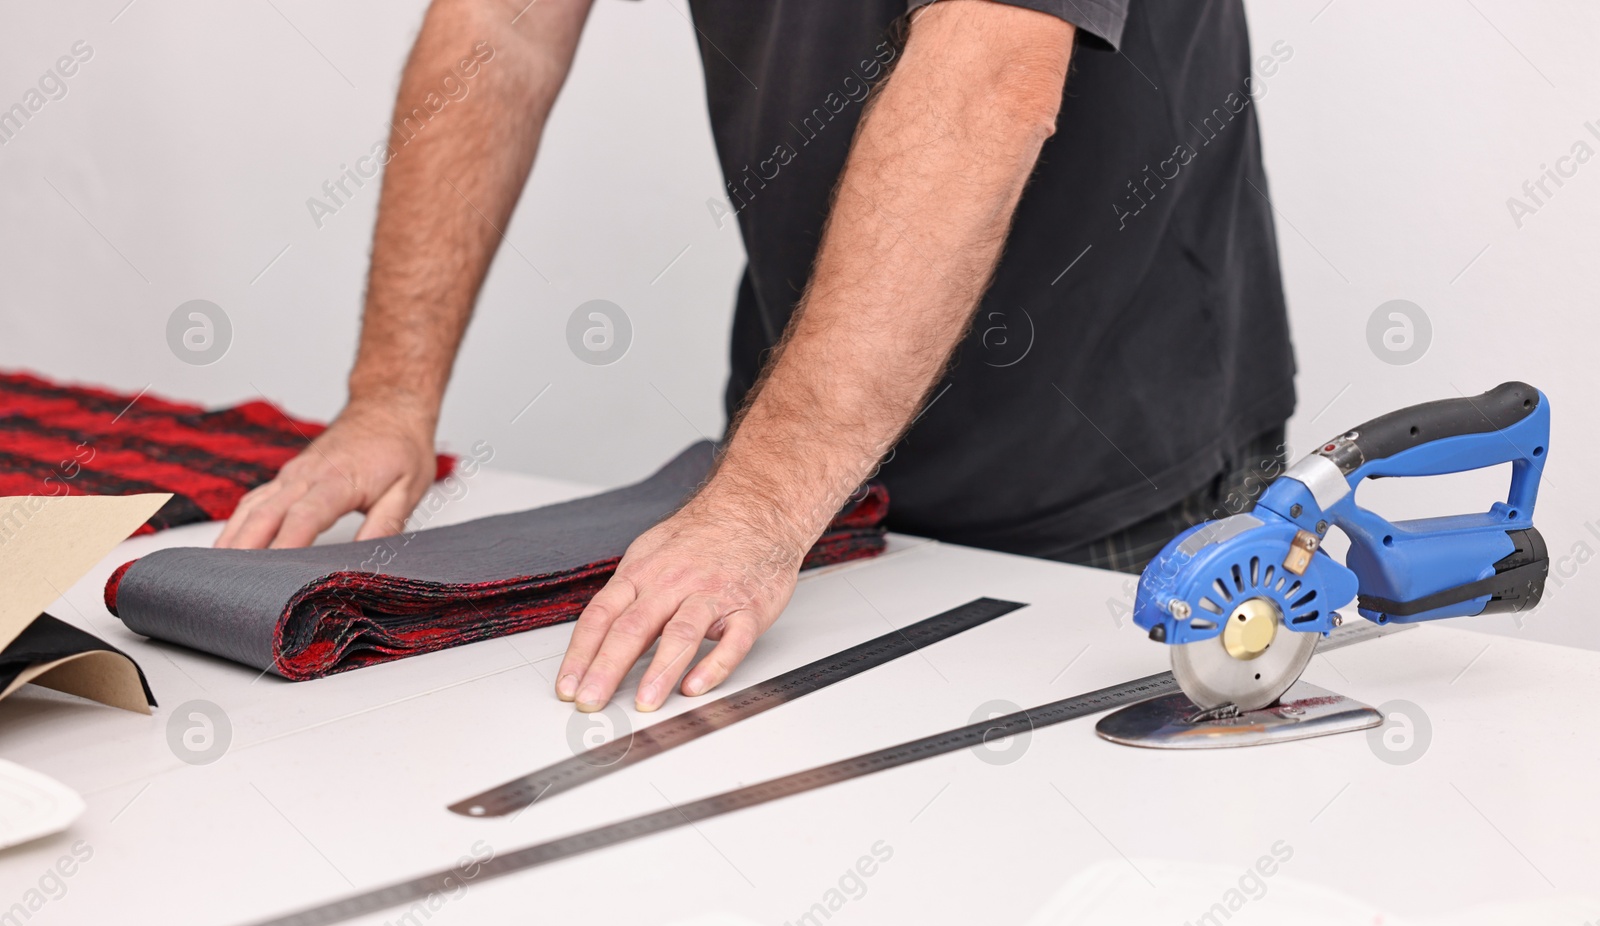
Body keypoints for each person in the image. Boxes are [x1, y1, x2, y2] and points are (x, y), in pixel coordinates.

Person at [218, 0, 1296, 715]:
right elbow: (503, 28)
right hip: (811, 488)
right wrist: (389, 397)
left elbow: (985, 83)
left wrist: (759, 507)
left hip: (1102, 479)